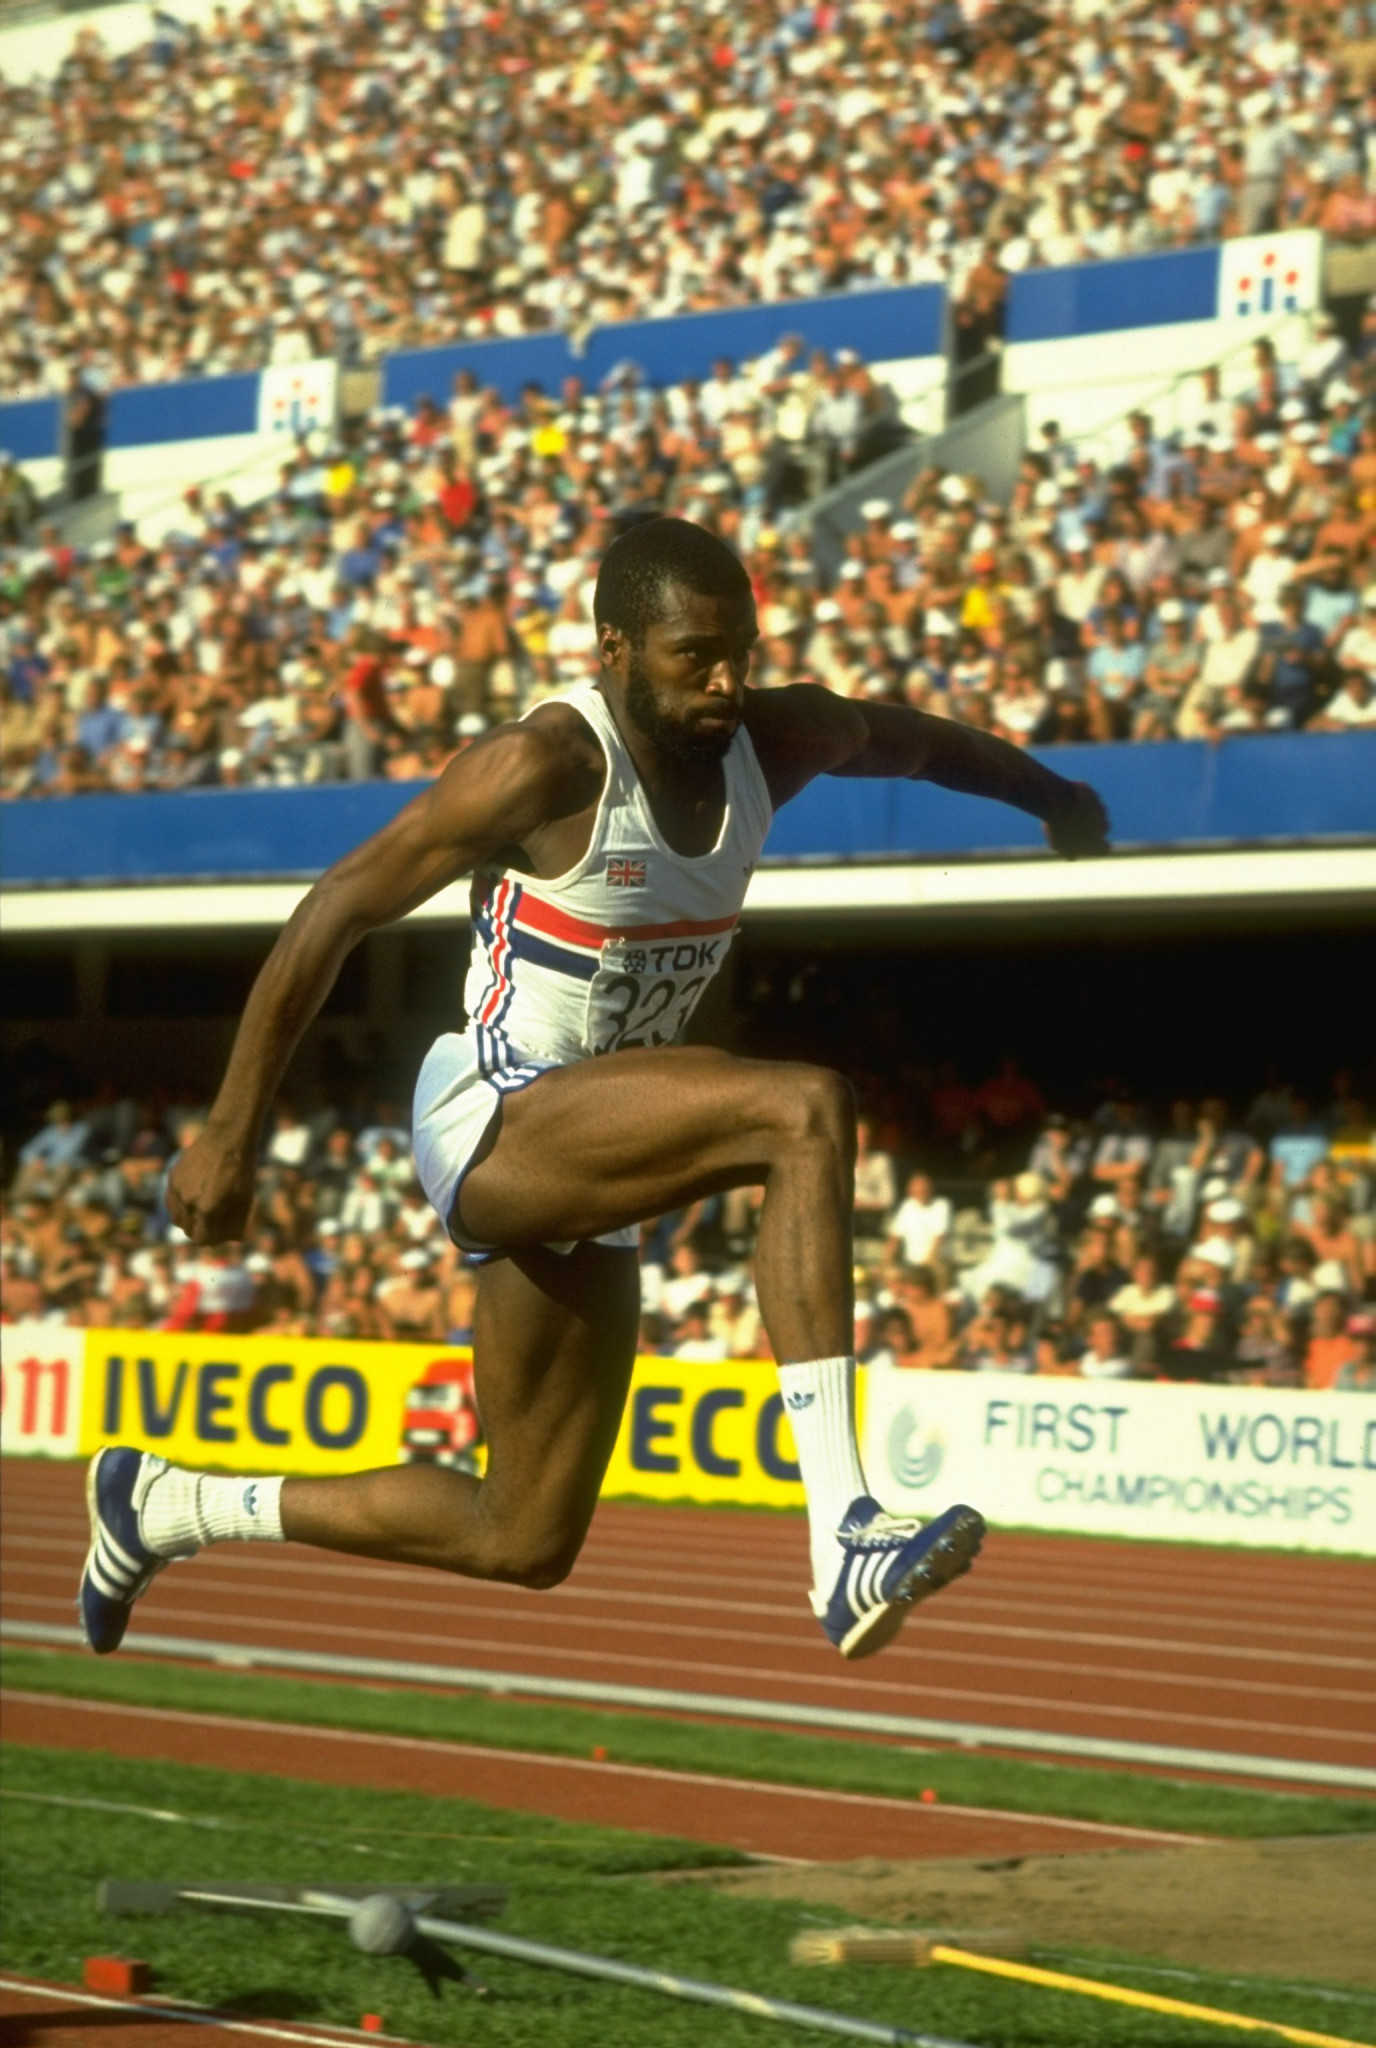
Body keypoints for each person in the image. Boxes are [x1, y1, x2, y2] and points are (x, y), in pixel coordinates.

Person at [80, 516, 1109, 1667]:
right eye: (693, 657)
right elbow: (338, 907)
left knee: (520, 1530)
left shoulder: (777, 739)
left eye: (742, 652)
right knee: (800, 1108)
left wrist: (1051, 792)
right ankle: (844, 1528)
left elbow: (917, 745)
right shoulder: (542, 766)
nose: (725, 681)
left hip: (597, 1156)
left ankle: (163, 1505)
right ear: (612, 646)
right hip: (495, 1117)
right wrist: (230, 1132)